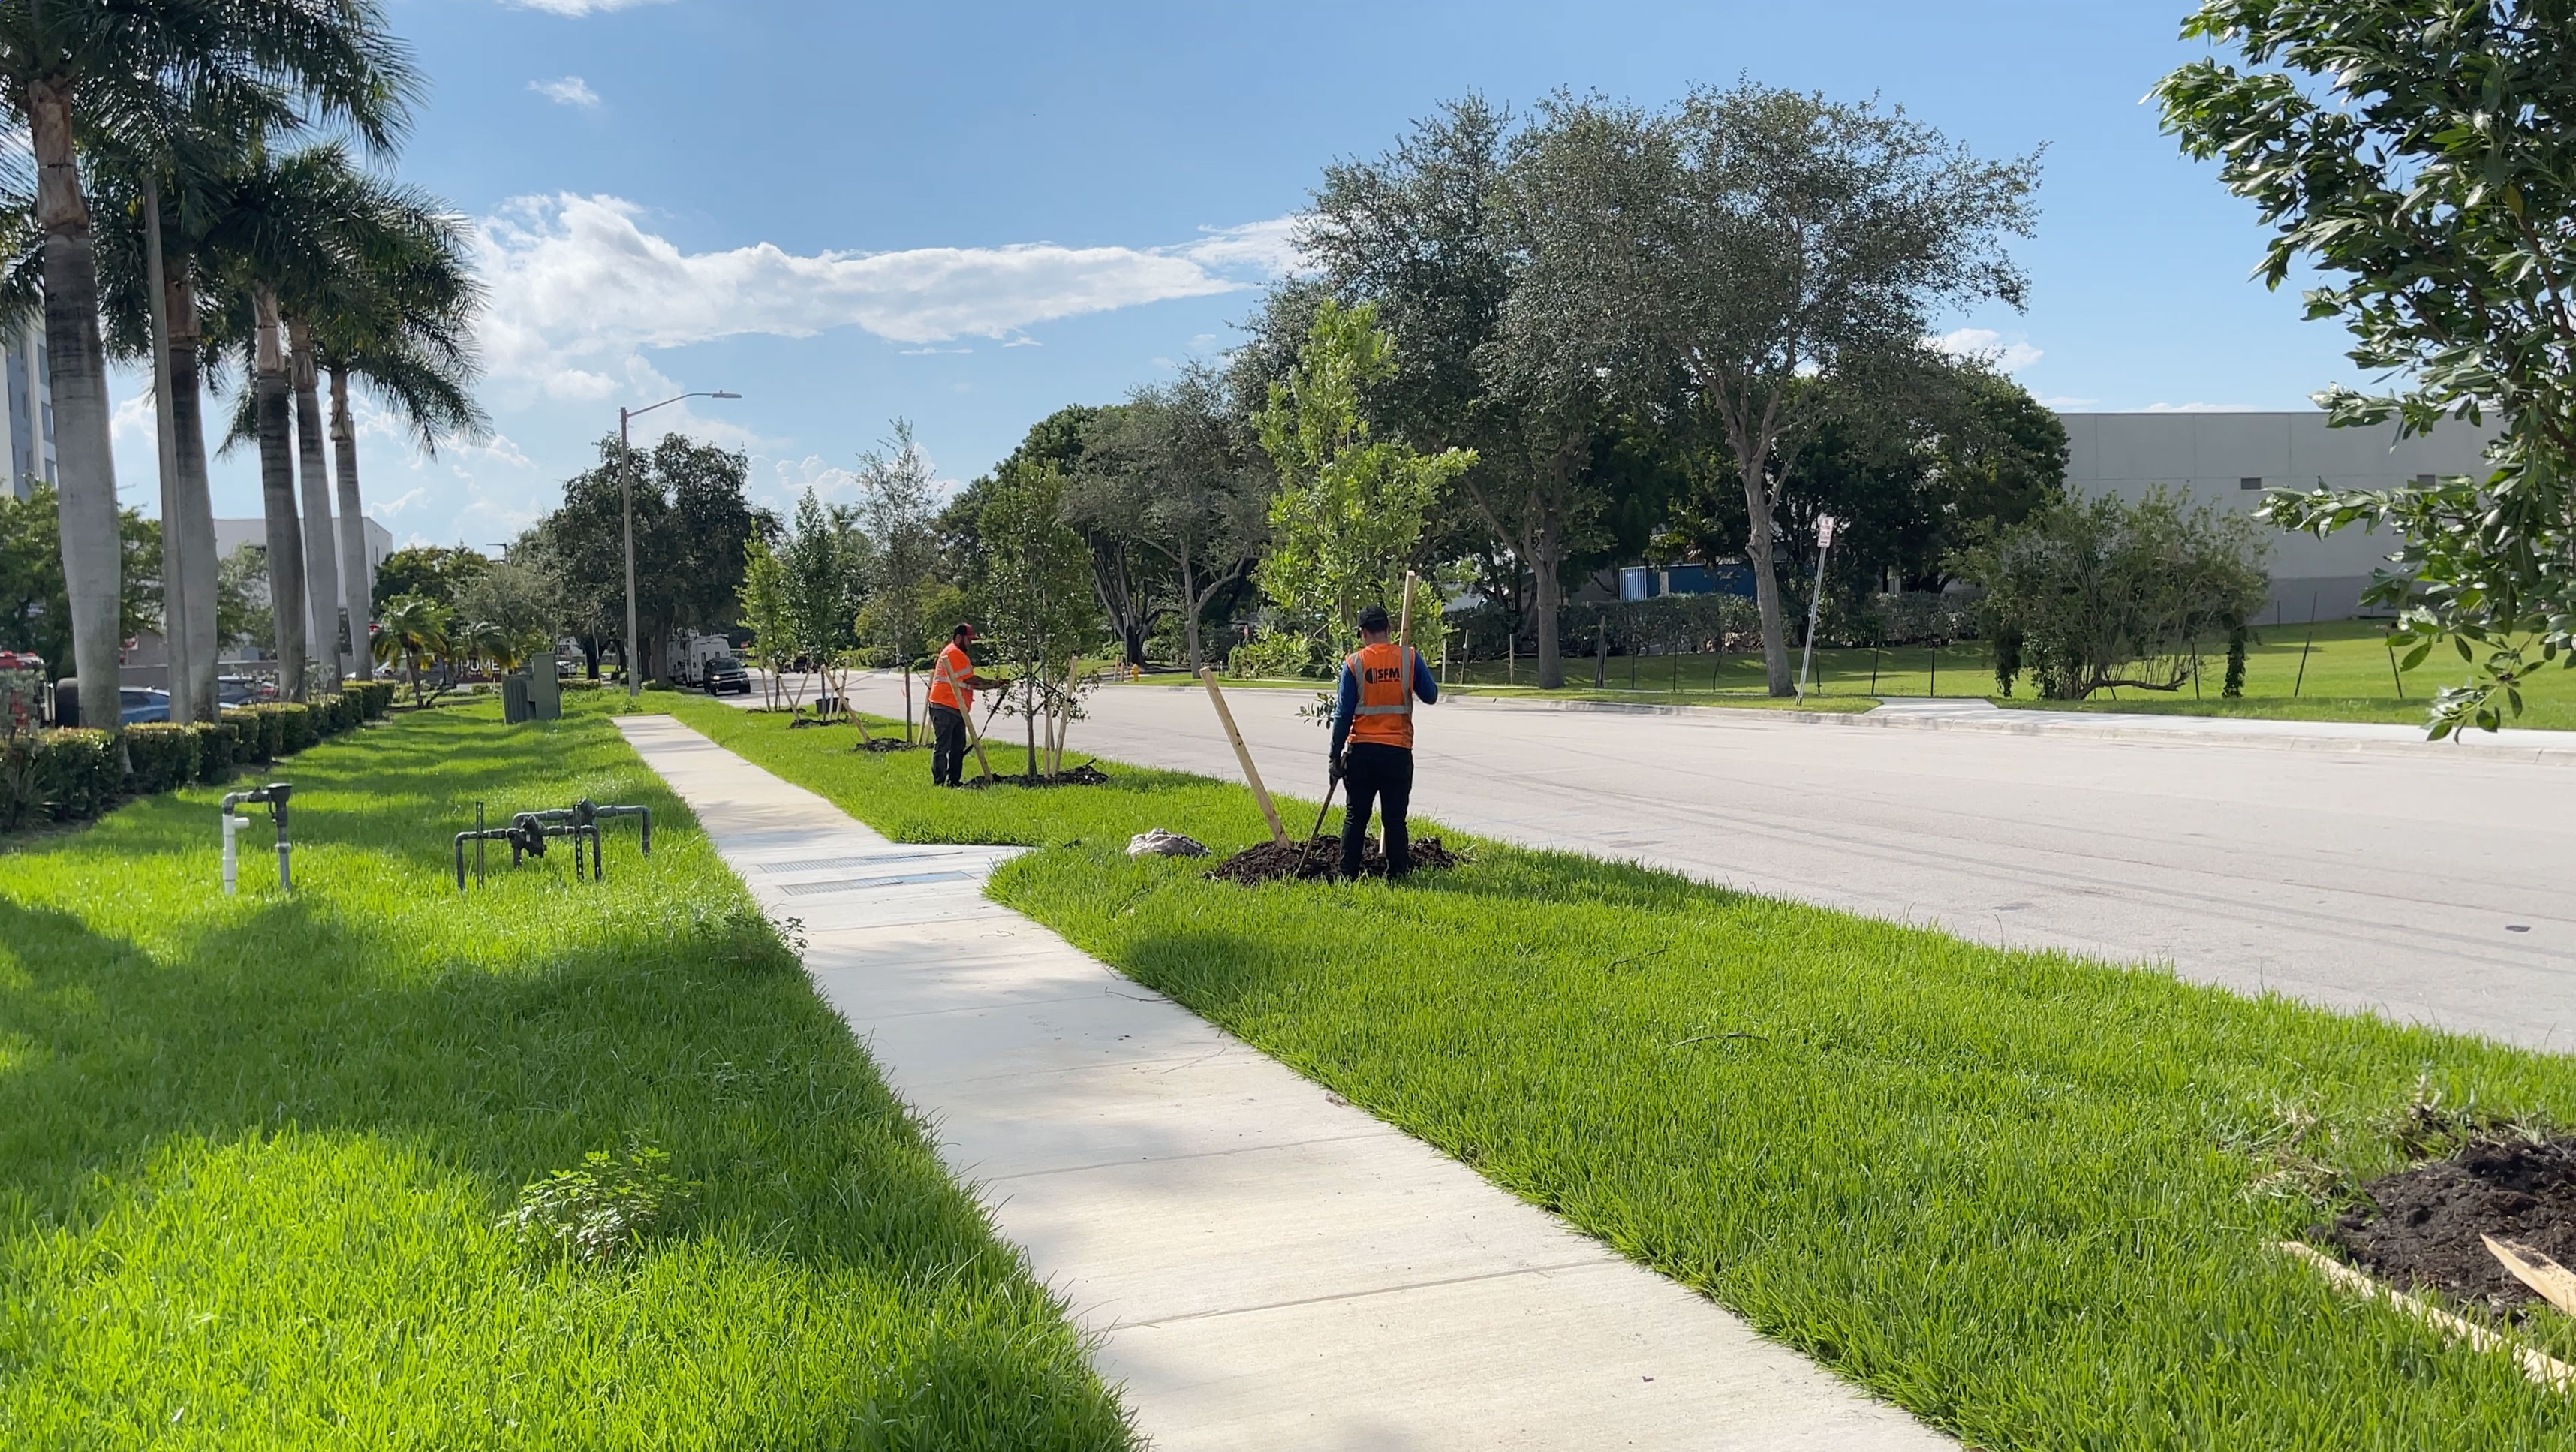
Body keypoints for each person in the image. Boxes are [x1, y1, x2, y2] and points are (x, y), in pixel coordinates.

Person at [1328, 603, 1437, 880]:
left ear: (1363, 633)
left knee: (1356, 816)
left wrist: (1334, 755)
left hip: (1362, 753)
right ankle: (1398, 873)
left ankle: (1347, 875)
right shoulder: (1409, 658)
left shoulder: (1354, 663)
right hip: (1398, 752)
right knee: (1394, 817)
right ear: (1388, 630)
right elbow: (1431, 695)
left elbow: (1342, 715)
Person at [927, 622, 999, 788]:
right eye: (968, 639)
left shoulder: (955, 652)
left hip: (955, 707)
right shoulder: (954, 653)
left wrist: (994, 685)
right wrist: (993, 684)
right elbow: (971, 680)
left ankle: (953, 781)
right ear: (959, 637)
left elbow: (968, 683)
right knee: (943, 746)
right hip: (945, 705)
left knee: (957, 747)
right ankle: (940, 782)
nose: (970, 643)